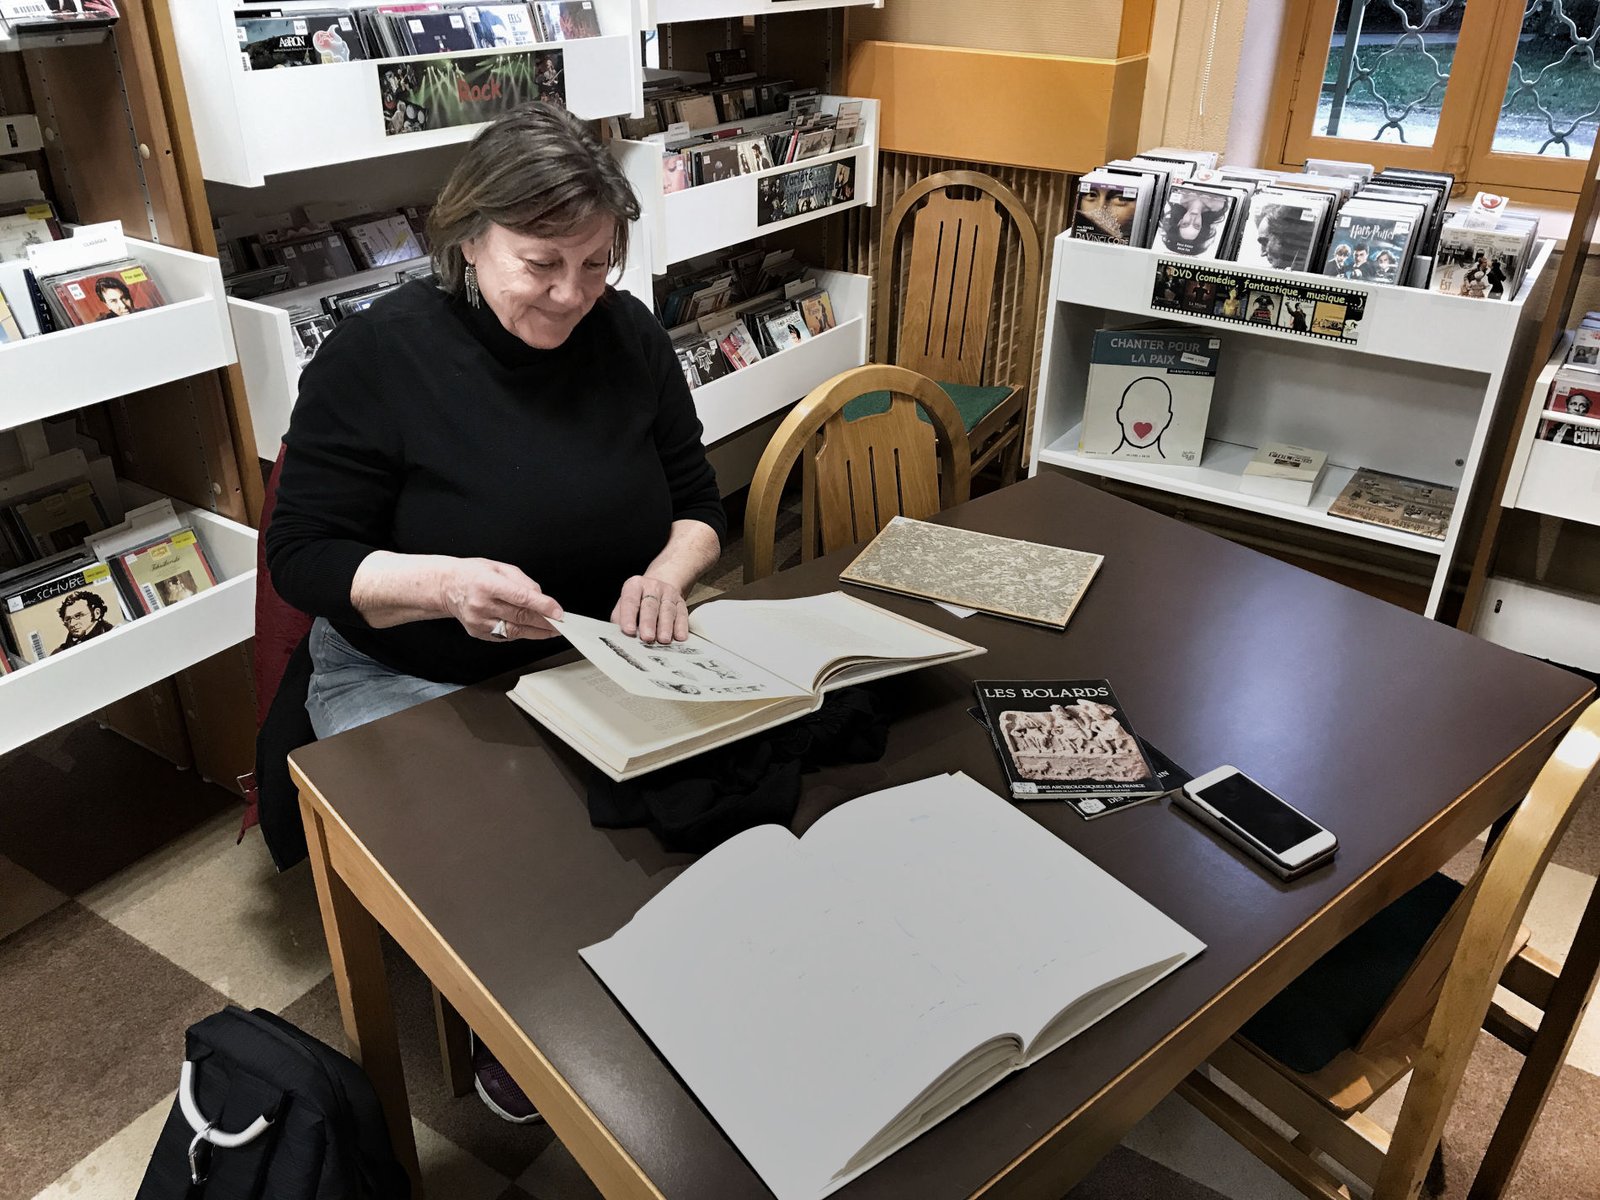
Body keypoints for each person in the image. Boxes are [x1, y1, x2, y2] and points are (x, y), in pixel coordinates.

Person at [266, 103, 725, 1123]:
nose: (572, 294)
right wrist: (445, 586)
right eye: (541, 264)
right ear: (468, 239)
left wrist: (667, 573)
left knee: (715, 801)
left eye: (597, 263)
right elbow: (301, 557)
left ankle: (654, 984)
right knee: (520, 851)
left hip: (593, 653)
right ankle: (534, 1020)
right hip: (409, 670)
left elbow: (699, 504)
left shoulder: (627, 334)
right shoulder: (377, 356)